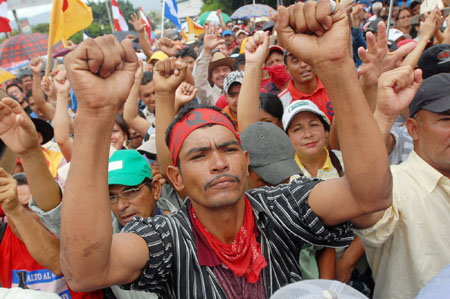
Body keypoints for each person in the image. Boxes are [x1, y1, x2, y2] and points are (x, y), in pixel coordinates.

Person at [60, 1, 393, 298]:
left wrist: (336, 66)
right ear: (175, 177)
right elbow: (85, 272)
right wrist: (94, 112)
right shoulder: (167, 238)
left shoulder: (279, 209)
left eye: (228, 149)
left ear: (246, 162)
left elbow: (370, 195)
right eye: (199, 155)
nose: (218, 163)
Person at [355, 72, 450, 299]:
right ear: (413, 129)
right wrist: (384, 116)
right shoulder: (396, 186)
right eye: (447, 120)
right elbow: (362, 203)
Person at [278, 51, 335, 123]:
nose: (303, 64)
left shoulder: (335, 87)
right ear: (287, 69)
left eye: (306, 58)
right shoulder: (282, 102)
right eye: (295, 61)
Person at [193, 23, 234, 106]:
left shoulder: (242, 91)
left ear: (232, 72)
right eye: (216, 71)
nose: (222, 74)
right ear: (211, 77)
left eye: (225, 70)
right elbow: (199, 83)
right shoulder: (208, 96)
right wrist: (206, 51)